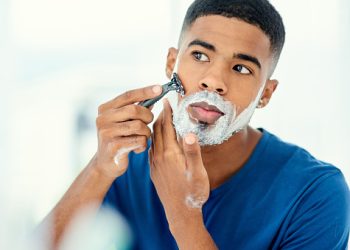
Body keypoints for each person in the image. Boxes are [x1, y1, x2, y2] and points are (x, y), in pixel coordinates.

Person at [42, 0, 350, 249]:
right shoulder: (130, 159)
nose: (213, 81)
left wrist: (183, 214)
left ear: (265, 94)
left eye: (241, 68)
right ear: (171, 64)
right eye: (200, 55)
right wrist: (99, 167)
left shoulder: (316, 193)